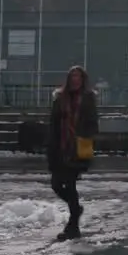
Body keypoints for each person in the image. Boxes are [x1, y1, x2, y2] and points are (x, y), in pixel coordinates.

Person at [47, 65, 99, 241]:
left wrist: (85, 135)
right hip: (60, 146)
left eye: (78, 76)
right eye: (72, 76)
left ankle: (73, 226)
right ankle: (76, 209)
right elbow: (53, 122)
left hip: (77, 147)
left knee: (69, 184)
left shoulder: (88, 98)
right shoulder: (60, 98)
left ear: (83, 80)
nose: (75, 79)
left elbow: (93, 122)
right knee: (56, 184)